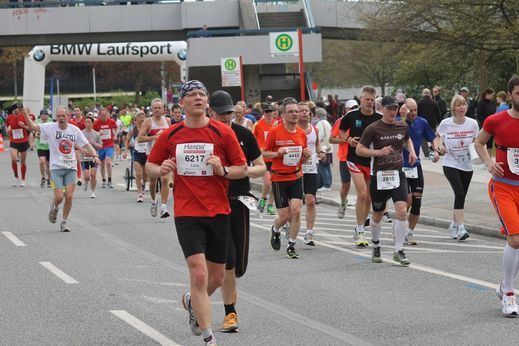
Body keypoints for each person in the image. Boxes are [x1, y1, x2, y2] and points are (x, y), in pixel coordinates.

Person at [146, 80, 247, 346]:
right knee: (199, 274)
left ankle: (192, 302)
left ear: (207, 103)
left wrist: (222, 171)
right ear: (181, 103)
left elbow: (242, 168)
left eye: (202, 94)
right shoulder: (170, 135)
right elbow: (150, 165)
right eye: (192, 94)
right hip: (187, 213)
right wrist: (161, 169)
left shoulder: (223, 133)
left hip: (218, 211)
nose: (198, 98)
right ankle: (208, 337)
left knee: (215, 277)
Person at [208, 90, 266, 333]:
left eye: (230, 112)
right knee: (227, 260)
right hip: (213, 202)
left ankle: (195, 296)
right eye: (222, 113)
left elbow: (261, 167)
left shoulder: (243, 134)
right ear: (210, 112)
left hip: (239, 200)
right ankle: (230, 313)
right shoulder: (204, 136)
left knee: (238, 265)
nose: (226, 116)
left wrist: (238, 171)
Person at [474, 74, 519, 317]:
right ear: (510, 94)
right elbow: (479, 143)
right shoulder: (495, 120)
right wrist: (489, 162)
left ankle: (504, 286)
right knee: (515, 239)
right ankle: (509, 294)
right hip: (502, 186)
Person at [356, 95, 417, 265]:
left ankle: (399, 250)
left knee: (402, 210)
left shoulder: (402, 125)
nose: (392, 111)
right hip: (380, 176)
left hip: (398, 174)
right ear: (381, 108)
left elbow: (406, 139)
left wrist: (411, 151)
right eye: (389, 108)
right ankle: (376, 245)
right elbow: (360, 150)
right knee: (377, 214)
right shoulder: (373, 128)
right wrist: (378, 152)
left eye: (395, 108)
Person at [23, 106, 99, 232]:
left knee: (69, 196)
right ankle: (55, 207)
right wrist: (25, 113)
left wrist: (95, 155)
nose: (61, 119)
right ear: (56, 117)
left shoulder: (74, 130)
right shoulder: (50, 127)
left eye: (63, 116)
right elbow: (32, 127)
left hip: (71, 168)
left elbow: (86, 144)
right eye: (58, 116)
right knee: (59, 197)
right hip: (56, 168)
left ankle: (64, 222)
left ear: (68, 116)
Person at [263, 97, 311, 259]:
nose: (294, 114)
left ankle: (291, 245)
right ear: (283, 115)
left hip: (296, 176)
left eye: (296, 111)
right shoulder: (275, 132)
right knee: (285, 216)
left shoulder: (301, 134)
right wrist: (277, 153)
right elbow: (264, 153)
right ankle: (275, 229)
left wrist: (306, 156)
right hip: (279, 179)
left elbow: (302, 160)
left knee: (296, 211)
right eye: (290, 112)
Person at [339, 86, 382, 246]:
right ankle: (359, 230)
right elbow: (342, 131)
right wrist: (348, 139)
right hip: (354, 159)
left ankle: (361, 226)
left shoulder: (379, 117)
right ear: (360, 99)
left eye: (372, 100)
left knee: (370, 197)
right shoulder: (351, 115)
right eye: (366, 100)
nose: (369, 103)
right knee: (362, 194)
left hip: (371, 161)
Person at [398, 98, 440, 245]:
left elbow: (433, 137)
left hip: (415, 166)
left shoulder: (422, 122)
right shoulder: (398, 122)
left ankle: (409, 232)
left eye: (415, 110)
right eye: (410, 110)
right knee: (406, 200)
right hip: (401, 166)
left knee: (416, 202)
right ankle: (399, 227)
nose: (413, 113)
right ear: (404, 109)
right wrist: (402, 117)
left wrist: (436, 150)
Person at [436, 94, 479, 241]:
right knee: (459, 193)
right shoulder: (445, 123)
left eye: (464, 105)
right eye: (459, 105)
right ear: (453, 108)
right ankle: (461, 228)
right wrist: (440, 147)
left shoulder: (473, 123)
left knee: (461, 196)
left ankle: (454, 224)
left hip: (467, 164)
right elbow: (438, 138)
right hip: (450, 163)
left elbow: (476, 142)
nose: (462, 107)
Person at [138, 98, 172, 218]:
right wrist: (154, 137)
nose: (158, 110)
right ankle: (154, 201)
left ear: (163, 109)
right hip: (152, 155)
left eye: (159, 107)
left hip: (165, 155)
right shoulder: (148, 122)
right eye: (155, 108)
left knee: (164, 179)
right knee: (153, 182)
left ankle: (163, 207)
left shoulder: (167, 120)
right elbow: (139, 138)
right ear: (152, 109)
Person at [298, 102, 325, 246]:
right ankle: (290, 222)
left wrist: (320, 152)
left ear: (310, 113)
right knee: (294, 203)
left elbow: (317, 144)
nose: (303, 113)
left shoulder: (314, 129)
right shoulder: (293, 130)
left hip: (311, 169)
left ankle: (309, 232)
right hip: (295, 169)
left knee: (310, 200)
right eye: (300, 110)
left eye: (306, 111)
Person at [329, 100, 357, 216]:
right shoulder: (340, 121)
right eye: (351, 108)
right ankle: (342, 202)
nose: (353, 110)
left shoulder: (360, 120)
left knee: (362, 186)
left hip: (359, 157)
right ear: (346, 109)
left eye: (356, 107)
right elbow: (331, 139)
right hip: (344, 158)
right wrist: (346, 140)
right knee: (346, 185)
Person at [252, 103, 276, 215]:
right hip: (264, 158)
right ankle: (262, 199)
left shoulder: (276, 124)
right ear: (263, 113)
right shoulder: (258, 125)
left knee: (275, 183)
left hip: (275, 157)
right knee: (267, 182)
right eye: (266, 112)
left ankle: (270, 205)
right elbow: (252, 139)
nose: (269, 114)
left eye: (270, 112)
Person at [125, 111, 148, 202]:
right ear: (136, 119)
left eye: (144, 116)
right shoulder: (133, 130)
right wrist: (125, 151)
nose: (142, 118)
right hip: (137, 153)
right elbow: (127, 140)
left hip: (147, 153)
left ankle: (143, 185)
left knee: (145, 176)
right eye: (140, 117)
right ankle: (139, 194)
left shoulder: (148, 129)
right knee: (138, 174)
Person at [5, 103, 30, 187]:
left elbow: (30, 128)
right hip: (13, 141)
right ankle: (16, 176)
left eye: (18, 108)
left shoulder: (24, 116)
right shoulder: (9, 118)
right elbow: (7, 128)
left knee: (23, 161)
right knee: (14, 159)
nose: (16, 110)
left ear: (20, 109)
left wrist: (24, 126)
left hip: (24, 141)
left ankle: (23, 179)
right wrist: (8, 131)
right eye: (14, 108)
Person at [93, 108, 118, 188]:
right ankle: (104, 180)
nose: (104, 117)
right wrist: (98, 133)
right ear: (100, 115)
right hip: (100, 146)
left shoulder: (111, 121)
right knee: (102, 164)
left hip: (109, 145)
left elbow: (116, 128)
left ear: (107, 115)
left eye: (105, 115)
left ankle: (110, 180)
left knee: (108, 162)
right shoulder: (97, 123)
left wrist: (115, 135)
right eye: (102, 115)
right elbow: (93, 133)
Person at [81, 116, 102, 198]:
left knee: (93, 175)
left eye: (89, 122)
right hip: (84, 158)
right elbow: (77, 144)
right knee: (87, 176)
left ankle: (93, 192)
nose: (87, 124)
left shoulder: (96, 134)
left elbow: (100, 145)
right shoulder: (81, 133)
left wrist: (94, 144)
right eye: (86, 122)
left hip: (94, 157)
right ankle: (86, 181)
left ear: (92, 123)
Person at [417, 88, 442, 158]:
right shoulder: (434, 102)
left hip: (422, 124)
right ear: (429, 94)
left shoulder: (419, 103)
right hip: (432, 124)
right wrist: (439, 123)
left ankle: (426, 154)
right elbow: (438, 114)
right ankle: (436, 151)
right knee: (433, 138)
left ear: (423, 94)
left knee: (423, 139)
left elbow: (417, 114)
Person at [315, 107, 333, 191]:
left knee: (322, 166)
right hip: (329, 147)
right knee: (327, 166)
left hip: (323, 148)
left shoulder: (320, 123)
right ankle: (329, 183)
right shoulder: (327, 122)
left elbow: (320, 136)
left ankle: (326, 184)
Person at [477, 88, 497, 157]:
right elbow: (479, 115)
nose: (493, 97)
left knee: (490, 144)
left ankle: (489, 158)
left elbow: (494, 114)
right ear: (487, 94)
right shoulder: (481, 103)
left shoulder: (492, 103)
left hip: (492, 126)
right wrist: (485, 123)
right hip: (484, 126)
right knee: (484, 143)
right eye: (492, 95)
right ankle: (483, 158)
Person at [36, 110, 52, 188]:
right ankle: (43, 177)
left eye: (45, 115)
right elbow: (34, 133)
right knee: (42, 162)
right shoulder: (38, 122)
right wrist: (36, 135)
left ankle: (49, 179)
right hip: (40, 146)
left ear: (48, 116)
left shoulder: (51, 122)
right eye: (41, 115)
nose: (43, 116)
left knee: (48, 164)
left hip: (49, 146)